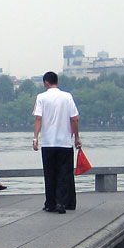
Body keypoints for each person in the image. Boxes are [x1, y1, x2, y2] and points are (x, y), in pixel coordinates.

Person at [33, 71, 81, 214]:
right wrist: (77, 137)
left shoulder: (41, 97)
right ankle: (62, 202)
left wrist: (35, 138)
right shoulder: (67, 97)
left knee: (50, 173)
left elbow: (38, 119)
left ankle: (50, 203)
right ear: (57, 82)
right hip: (64, 142)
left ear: (45, 83)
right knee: (64, 173)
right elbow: (74, 119)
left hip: (48, 142)